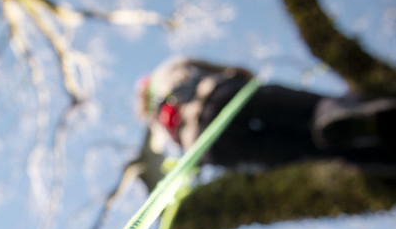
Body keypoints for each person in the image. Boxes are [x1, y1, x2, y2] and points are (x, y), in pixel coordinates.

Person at [137, 57, 396, 170]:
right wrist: (245, 78)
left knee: (303, 149)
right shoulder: (170, 68)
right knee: (307, 109)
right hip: (219, 97)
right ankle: (343, 116)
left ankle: (367, 153)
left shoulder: (156, 126)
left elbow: (176, 151)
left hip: (211, 147)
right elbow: (226, 69)